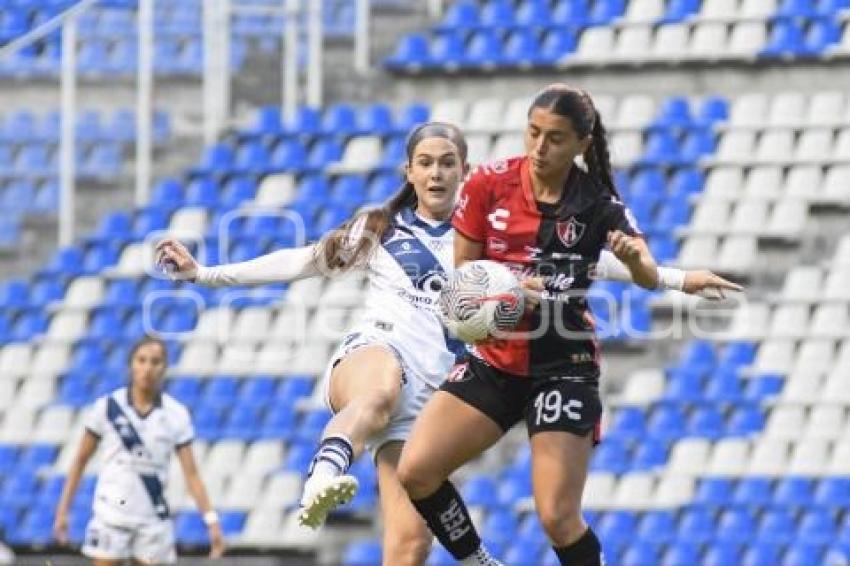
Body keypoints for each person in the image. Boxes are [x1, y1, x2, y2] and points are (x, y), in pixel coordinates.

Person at [156, 120, 738, 566]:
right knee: (378, 393)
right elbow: (300, 261)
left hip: (431, 400)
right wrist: (206, 274)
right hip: (375, 354)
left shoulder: (494, 235)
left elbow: (598, 263)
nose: (436, 174)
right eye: (425, 163)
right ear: (409, 171)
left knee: (408, 547)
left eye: (448, 163)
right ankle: (323, 473)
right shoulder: (379, 229)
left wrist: (679, 278)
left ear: (464, 171)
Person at [396, 84, 742, 566]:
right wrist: (510, 293)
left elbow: (643, 273)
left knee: (557, 517)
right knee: (415, 471)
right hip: (494, 361)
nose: (539, 147)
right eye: (533, 132)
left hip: (563, 367)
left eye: (555, 138)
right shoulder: (487, 185)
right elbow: (462, 282)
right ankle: (479, 562)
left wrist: (636, 261)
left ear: (581, 143)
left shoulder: (598, 204)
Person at [53, 336, 226, 565]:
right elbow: (80, 462)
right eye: (141, 360)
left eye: (155, 362)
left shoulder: (176, 414)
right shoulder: (108, 408)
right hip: (112, 516)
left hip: (153, 520)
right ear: (131, 364)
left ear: (164, 367)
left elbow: (191, 474)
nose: (147, 368)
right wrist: (63, 510)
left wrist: (211, 520)